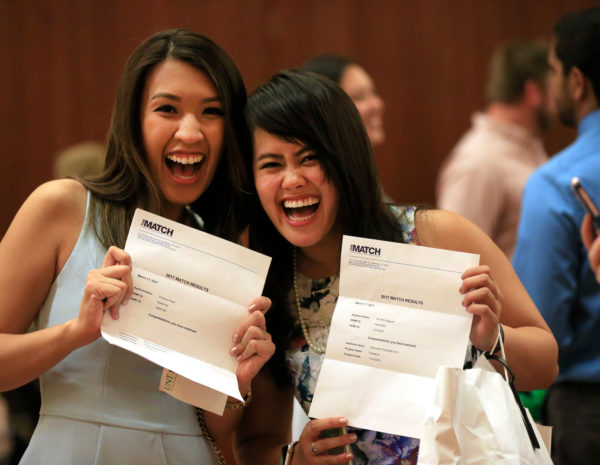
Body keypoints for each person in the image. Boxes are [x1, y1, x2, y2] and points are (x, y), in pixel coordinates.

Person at [234, 70, 558, 465]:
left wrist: (491, 339)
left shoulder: (434, 236)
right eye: (271, 165)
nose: (292, 179)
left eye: (310, 159)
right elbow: (255, 443)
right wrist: (296, 457)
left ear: (345, 159)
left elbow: (546, 366)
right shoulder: (268, 287)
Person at [0, 29, 274, 465]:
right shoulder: (63, 207)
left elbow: (215, 424)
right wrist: (76, 333)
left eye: (212, 112)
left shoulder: (218, 248)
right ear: (133, 117)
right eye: (167, 109)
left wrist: (238, 381)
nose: (190, 131)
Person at [511, 8, 600, 465]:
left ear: (577, 81)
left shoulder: (558, 183)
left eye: (552, 68)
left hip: (588, 413)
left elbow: (541, 328)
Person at [437, 40, 553, 260]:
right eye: (554, 86)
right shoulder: (478, 162)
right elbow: (454, 261)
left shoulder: (527, 148)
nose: (558, 99)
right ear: (533, 91)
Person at [301, 54, 392, 202]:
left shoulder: (360, 174)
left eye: (373, 92)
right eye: (360, 96)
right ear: (325, 110)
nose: (377, 104)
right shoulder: (329, 185)